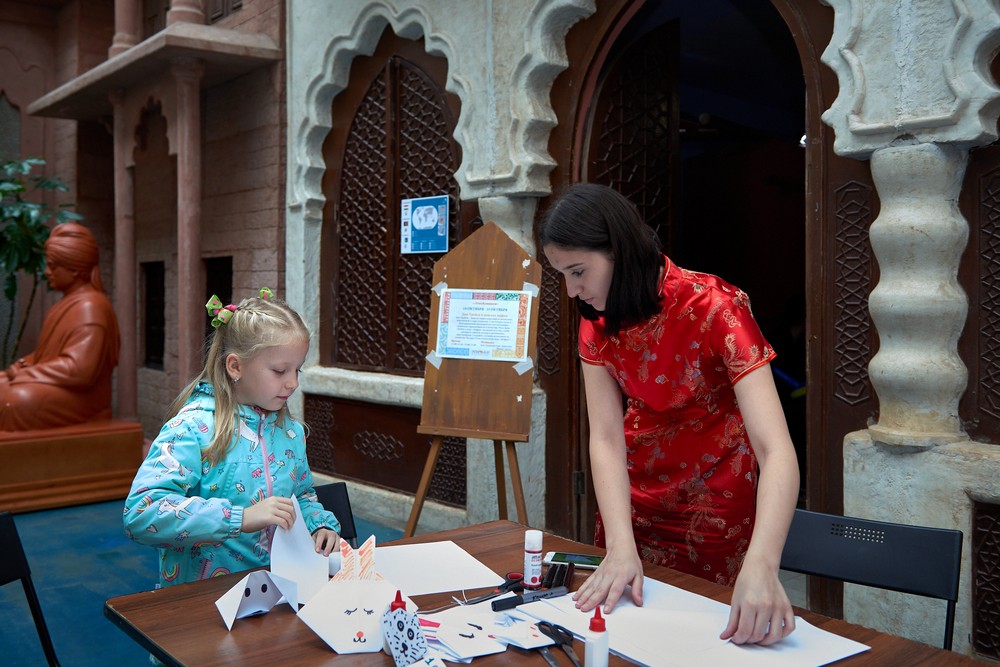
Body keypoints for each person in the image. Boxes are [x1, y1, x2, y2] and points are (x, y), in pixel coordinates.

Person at [539, 183, 800, 646]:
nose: (572, 289)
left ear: (619, 251)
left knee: (710, 640)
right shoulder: (596, 320)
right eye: (563, 274)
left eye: (578, 271)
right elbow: (605, 438)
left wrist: (763, 563)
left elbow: (775, 448)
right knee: (626, 638)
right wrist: (620, 544)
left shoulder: (716, 306)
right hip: (633, 505)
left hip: (716, 504)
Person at [123, 288, 341, 589]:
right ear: (235, 366)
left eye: (297, 370)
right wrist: (239, 518)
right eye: (280, 371)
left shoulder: (289, 430)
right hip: (203, 598)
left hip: (276, 589)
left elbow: (301, 495)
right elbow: (141, 513)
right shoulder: (191, 429)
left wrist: (319, 525)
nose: (293, 383)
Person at [0, 222, 120, 431]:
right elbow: (49, 355)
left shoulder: (91, 307)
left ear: (75, 269)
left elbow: (80, 370)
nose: (47, 272)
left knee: (16, 401)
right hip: (59, 385)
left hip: (83, 396)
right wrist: (24, 364)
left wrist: (25, 374)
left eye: (53, 266)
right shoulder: (65, 304)